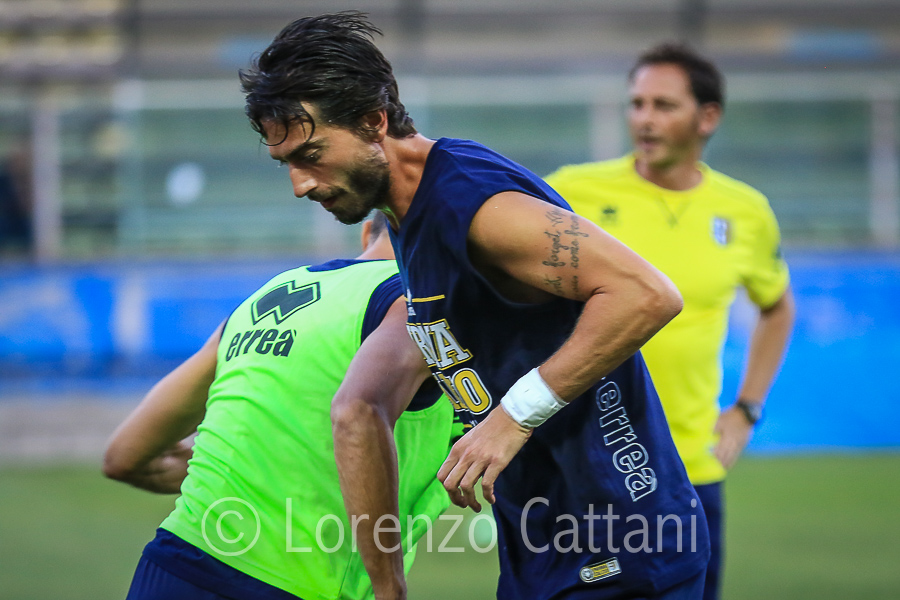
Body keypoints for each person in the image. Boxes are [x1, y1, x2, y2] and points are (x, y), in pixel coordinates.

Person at [241, 13, 710, 600]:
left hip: (623, 543)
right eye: (287, 163)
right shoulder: (408, 216)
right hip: (545, 547)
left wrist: (513, 418)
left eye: (311, 154)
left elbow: (647, 295)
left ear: (372, 121)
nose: (300, 184)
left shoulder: (472, 204)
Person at [545, 43, 796, 600]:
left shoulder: (746, 210)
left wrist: (747, 410)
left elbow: (777, 307)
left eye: (664, 105)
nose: (644, 119)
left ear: (707, 117)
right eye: (637, 103)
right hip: (584, 469)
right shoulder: (571, 191)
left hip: (689, 472)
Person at [103, 213, 456, 600]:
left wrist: (261, 466)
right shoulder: (424, 307)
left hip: (174, 567)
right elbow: (357, 415)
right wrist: (390, 590)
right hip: (301, 584)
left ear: (366, 233)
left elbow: (124, 456)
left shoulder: (266, 296)